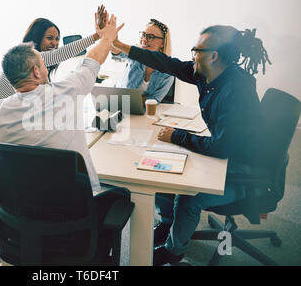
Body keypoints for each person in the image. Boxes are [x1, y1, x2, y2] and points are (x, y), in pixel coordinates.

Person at [112, 25, 271, 265]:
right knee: (165, 169)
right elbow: (165, 62)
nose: (192, 55)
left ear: (213, 55)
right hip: (225, 151)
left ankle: (174, 251)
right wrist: (121, 45)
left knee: (189, 196)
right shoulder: (205, 73)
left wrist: (178, 136)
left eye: (195, 50)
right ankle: (169, 225)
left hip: (243, 169)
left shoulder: (237, 90)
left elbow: (221, 147)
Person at [0, 11, 121, 227]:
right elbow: (77, 57)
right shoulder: (28, 57)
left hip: (8, 111)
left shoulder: (24, 70)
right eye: (50, 38)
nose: (54, 43)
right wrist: (100, 37)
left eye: (57, 38)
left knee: (17, 155)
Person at [113, 18, 174, 103]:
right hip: (116, 101)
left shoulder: (168, 73)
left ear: (162, 43)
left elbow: (155, 99)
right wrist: (108, 38)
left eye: (151, 37)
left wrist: (135, 100)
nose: (144, 39)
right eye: (144, 35)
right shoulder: (135, 53)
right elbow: (117, 50)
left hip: (141, 111)